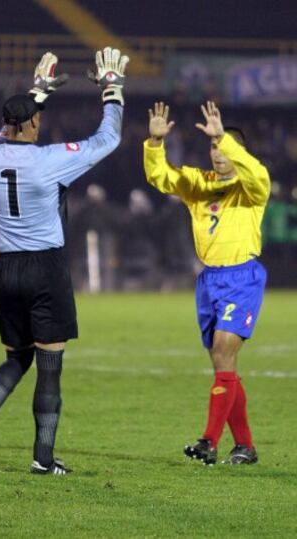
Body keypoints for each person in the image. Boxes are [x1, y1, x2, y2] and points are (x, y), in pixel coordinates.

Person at [0, 47, 129, 475]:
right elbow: (107, 140)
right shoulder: (48, 162)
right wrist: (112, 90)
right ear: (34, 123)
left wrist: (37, 92)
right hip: (45, 269)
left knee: (16, 358)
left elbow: (5, 133)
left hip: (5, 271)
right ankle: (42, 457)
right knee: (50, 367)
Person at [144, 101, 270, 465]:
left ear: (238, 151)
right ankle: (245, 446)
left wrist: (225, 138)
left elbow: (259, 175)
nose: (216, 152)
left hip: (242, 277)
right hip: (210, 280)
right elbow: (161, 177)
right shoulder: (199, 184)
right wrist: (154, 142)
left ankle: (208, 442)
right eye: (213, 145)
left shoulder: (251, 189)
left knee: (224, 351)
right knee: (222, 363)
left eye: (223, 145)